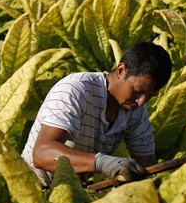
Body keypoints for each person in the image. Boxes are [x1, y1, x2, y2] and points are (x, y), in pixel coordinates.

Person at [21, 41, 173, 187]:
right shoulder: (76, 90)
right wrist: (101, 162)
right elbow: (41, 153)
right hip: (31, 187)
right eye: (137, 91)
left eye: (150, 96)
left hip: (73, 192)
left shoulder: (136, 111)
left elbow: (148, 168)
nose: (141, 102)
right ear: (121, 71)